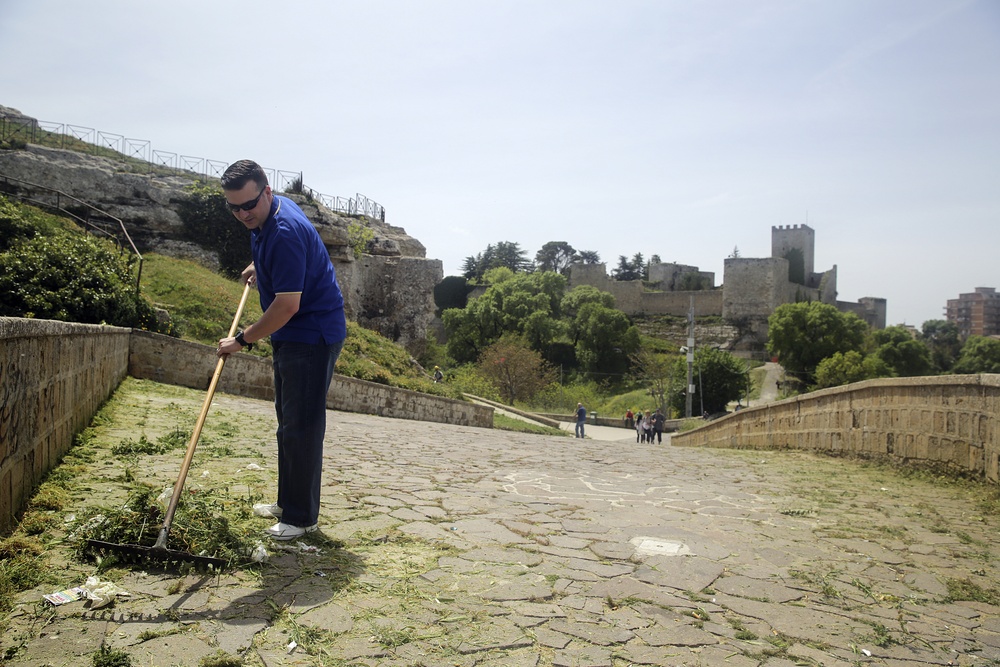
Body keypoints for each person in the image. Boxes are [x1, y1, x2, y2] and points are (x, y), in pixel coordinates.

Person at [216, 160, 346, 542]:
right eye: (234, 207)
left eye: (248, 206)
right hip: (292, 333)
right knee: (287, 423)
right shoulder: (272, 212)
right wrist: (261, 264)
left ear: (267, 192)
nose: (242, 214)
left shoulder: (286, 231)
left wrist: (241, 340)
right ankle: (288, 503)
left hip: (311, 333)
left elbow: (287, 307)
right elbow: (280, 252)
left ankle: (301, 518)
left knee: (302, 428)